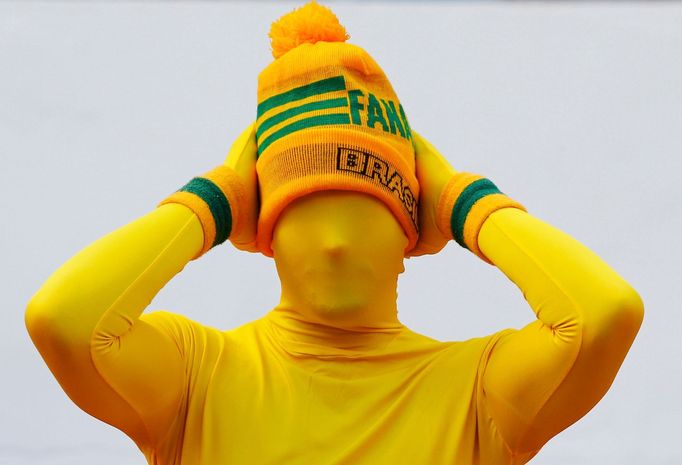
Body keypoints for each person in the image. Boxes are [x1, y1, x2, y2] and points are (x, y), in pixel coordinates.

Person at [25, 2, 644, 464]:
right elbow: (62, 320)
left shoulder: (476, 391)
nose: (336, 243)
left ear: (410, 235)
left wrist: (462, 198)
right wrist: (215, 196)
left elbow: (606, 313)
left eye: (368, 207)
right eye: (305, 208)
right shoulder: (196, 376)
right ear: (262, 231)